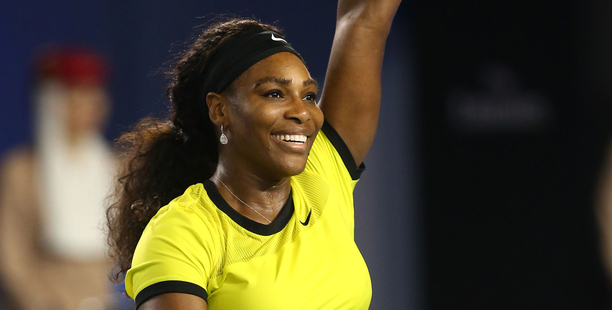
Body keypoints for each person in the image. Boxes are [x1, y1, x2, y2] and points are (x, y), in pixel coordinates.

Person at [106, 0, 401, 308]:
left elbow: (365, 19)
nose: (302, 112)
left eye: (309, 95)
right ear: (220, 109)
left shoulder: (322, 171)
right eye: (275, 93)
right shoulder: (180, 233)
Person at [0, 48, 116, 309]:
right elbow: (10, 255)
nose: (91, 107)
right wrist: (44, 301)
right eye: (77, 98)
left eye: (94, 96)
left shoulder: (115, 168)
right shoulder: (21, 172)